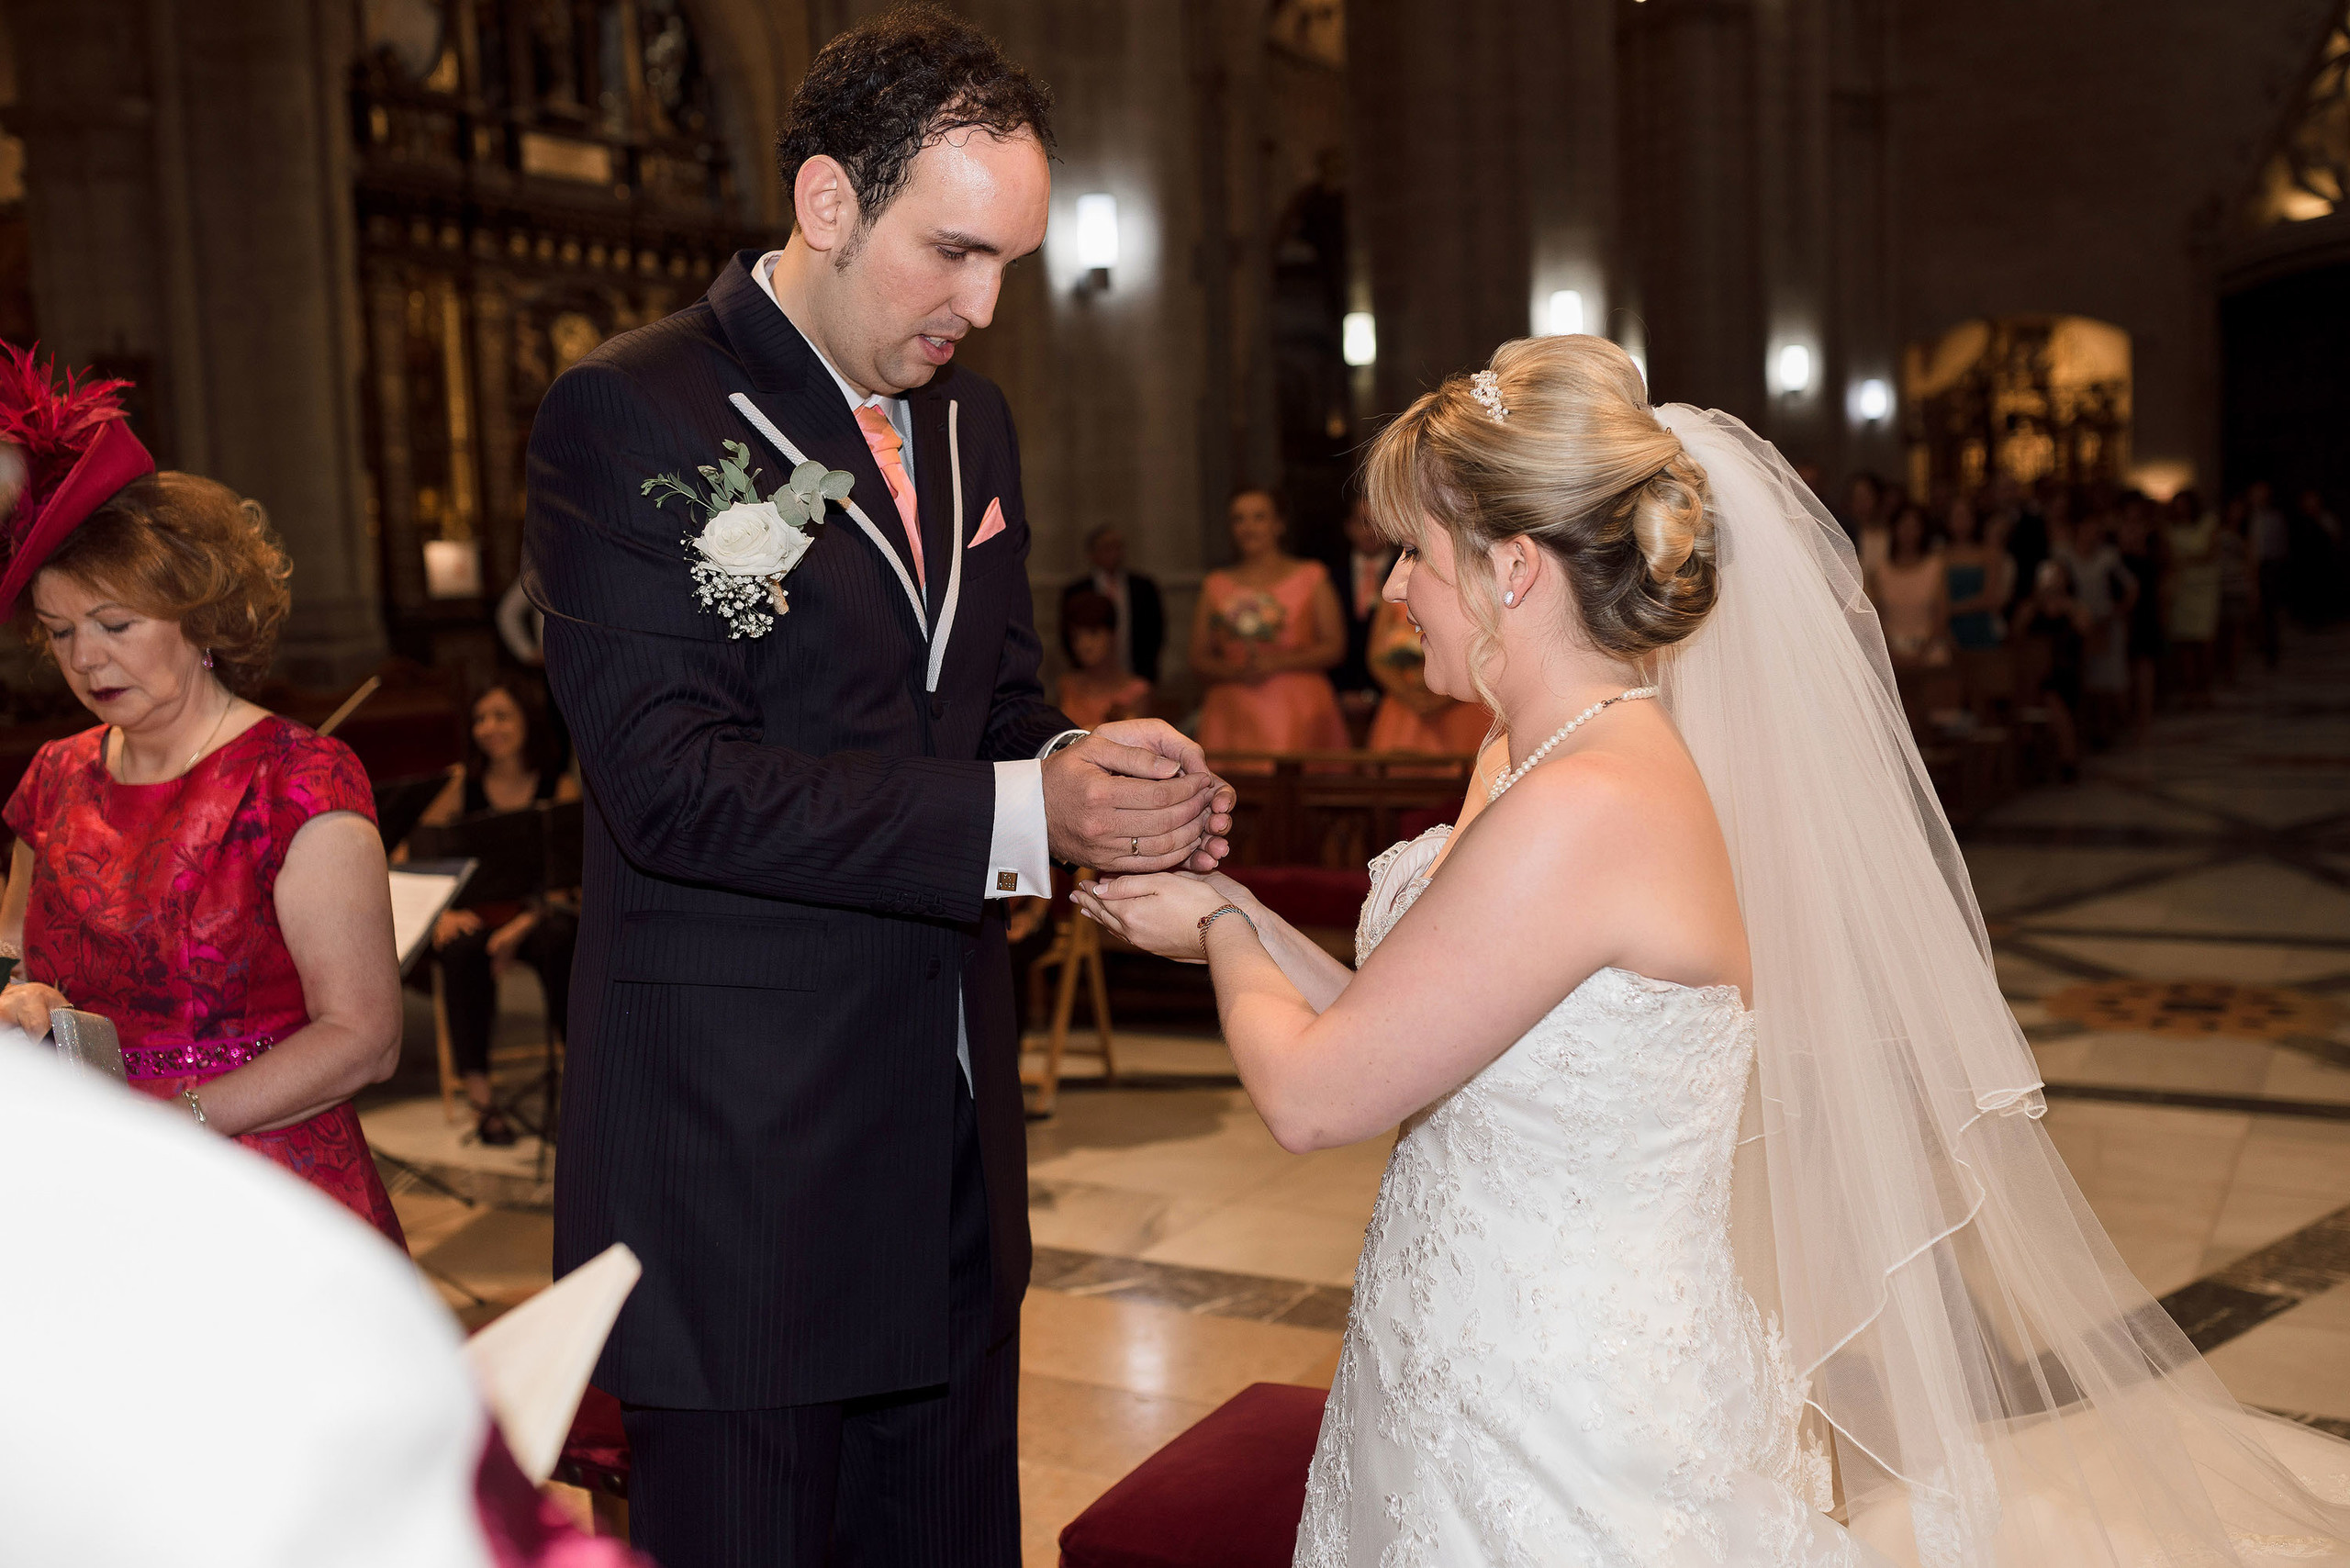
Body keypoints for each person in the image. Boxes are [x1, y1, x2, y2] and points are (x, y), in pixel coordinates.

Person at [1076, 335, 2350, 1565]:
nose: (1392, 589)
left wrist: (1225, 933)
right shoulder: (1523, 756)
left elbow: (1314, 1096)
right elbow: (1402, 1023)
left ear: (1512, 567)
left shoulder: (1588, 805)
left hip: (1563, 1390)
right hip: (1460, 1333)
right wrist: (1227, 908)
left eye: (1412, 552)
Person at [518, 10, 1234, 1566]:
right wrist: (1023, 820)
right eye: (954, 252)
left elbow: (995, 699)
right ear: (829, 201)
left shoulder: (972, 421)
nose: (983, 307)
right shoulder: (631, 411)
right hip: (744, 1167)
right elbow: (672, 787)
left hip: (951, 1135)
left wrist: (1079, 765)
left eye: (1008, 264)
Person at [0, 350, 406, 1246]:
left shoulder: (298, 779)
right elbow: (12, 953)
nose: (86, 659)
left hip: (262, 1188)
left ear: (199, 616)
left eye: (115, 624)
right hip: (90, 1184)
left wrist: (172, 1126)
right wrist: (14, 998)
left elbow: (364, 1036)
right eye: (60, 633)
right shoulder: (55, 776)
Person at [408, 679, 580, 1148]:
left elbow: (566, 881)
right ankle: (482, 1102)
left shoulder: (558, 786)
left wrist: (517, 930)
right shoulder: (460, 785)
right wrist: (441, 914)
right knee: (460, 951)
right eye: (480, 718)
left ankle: (582, 1084)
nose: (489, 728)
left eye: (502, 716)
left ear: (527, 721)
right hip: (479, 917)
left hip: (536, 917)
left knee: (563, 940)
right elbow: (415, 854)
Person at [1192, 486, 1350, 755]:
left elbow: (1334, 646)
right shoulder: (1215, 584)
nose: (1248, 527)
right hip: (1233, 710)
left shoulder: (1312, 576)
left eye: (1259, 517)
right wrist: (1237, 672)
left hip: (1299, 707)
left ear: (1279, 524)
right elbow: (1198, 657)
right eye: (1239, 519)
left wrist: (1277, 662)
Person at [1362, 597, 1489, 756]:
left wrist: (1448, 697)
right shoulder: (1395, 596)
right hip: (1406, 705)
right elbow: (1377, 658)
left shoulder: (1476, 595)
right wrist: (1412, 696)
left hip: (1463, 706)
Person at [1060, 524, 1163, 683]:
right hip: (1089, 674)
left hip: (1136, 670)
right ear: (1092, 553)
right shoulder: (1077, 590)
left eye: (1117, 547)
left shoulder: (1143, 587)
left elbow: (1155, 630)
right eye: (1106, 547)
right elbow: (1067, 633)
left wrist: (1147, 667)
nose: (1113, 553)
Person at [1326, 491, 1398, 705]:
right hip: (1339, 695)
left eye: (1379, 522)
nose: (1371, 531)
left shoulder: (1406, 573)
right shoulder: (1330, 576)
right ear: (1349, 526)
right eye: (1364, 522)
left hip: (1392, 695)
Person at [1866, 500, 1950, 667]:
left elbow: (1942, 615)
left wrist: (1921, 653)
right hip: (1890, 653)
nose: (1908, 532)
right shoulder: (1881, 571)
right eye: (1903, 526)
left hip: (1930, 651)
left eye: (1914, 527)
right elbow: (1876, 619)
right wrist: (1892, 652)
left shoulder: (1935, 567)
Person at [1056, 588, 1152, 730]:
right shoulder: (1067, 686)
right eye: (1076, 637)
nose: (1084, 645)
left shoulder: (1137, 692)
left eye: (1093, 633)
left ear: (1112, 635)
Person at [2163, 489, 2221, 708]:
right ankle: (2189, 688)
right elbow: (2168, 556)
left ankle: (2205, 688)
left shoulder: (2208, 523)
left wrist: (2185, 559)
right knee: (2185, 640)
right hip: (2181, 589)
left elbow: (2210, 553)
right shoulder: (2170, 528)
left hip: (2204, 589)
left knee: (2204, 640)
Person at [1942, 496, 2009, 653]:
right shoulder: (1940, 556)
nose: (1961, 523)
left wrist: (1949, 609)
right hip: (1948, 629)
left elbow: (1991, 598)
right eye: (1956, 516)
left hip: (1980, 626)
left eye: (1965, 516)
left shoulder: (1989, 554)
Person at [2249, 478, 2290, 666]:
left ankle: (2271, 650)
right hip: (2247, 567)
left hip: (2269, 567)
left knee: (2269, 609)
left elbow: (2281, 546)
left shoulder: (2275, 518)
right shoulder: (2246, 517)